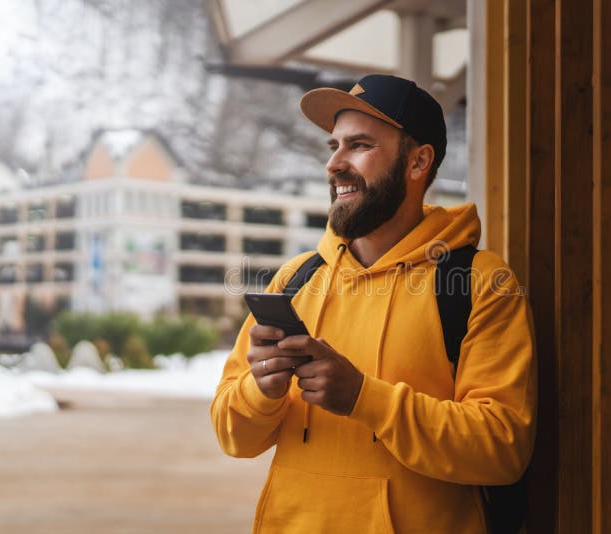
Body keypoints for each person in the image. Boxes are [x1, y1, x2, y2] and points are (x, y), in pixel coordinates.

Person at [210, 74, 537, 533]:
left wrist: (366, 399)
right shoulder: (296, 278)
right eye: (333, 147)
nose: (335, 164)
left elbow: (502, 448)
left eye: (359, 145)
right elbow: (233, 437)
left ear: (418, 161)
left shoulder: (480, 284)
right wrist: (260, 392)